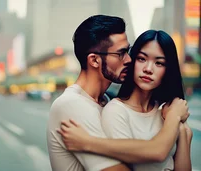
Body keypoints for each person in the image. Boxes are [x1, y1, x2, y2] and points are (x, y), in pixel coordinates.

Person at [47, 15, 189, 171]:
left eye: (128, 51)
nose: (129, 59)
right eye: (120, 53)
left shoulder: (104, 101)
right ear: (94, 60)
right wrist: (174, 118)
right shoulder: (72, 104)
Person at [101, 30, 192, 171]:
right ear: (132, 61)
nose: (148, 69)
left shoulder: (167, 112)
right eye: (142, 59)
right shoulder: (116, 112)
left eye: (159, 63)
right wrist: (174, 118)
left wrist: (182, 130)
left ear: (168, 70)